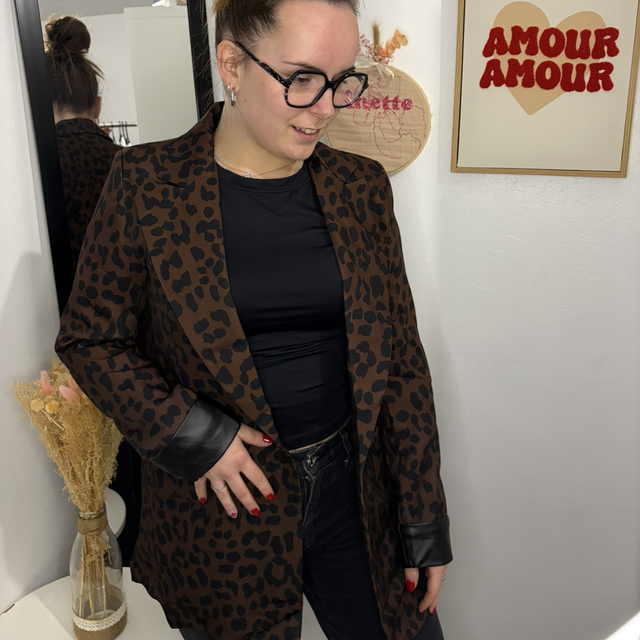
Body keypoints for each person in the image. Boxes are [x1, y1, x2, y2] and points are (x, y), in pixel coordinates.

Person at [55, 0, 453, 638]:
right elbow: (90, 338)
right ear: (232, 65)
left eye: (342, 81)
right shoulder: (145, 184)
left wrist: (423, 513)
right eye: (302, 79)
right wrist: (191, 432)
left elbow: (401, 360)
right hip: (223, 509)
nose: (326, 107)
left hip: (356, 492)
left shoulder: (361, 188)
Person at [44, 15, 141, 564]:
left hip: (59, 333)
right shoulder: (125, 164)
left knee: (81, 467)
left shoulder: (37, 166)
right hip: (131, 340)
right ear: (98, 106)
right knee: (128, 463)